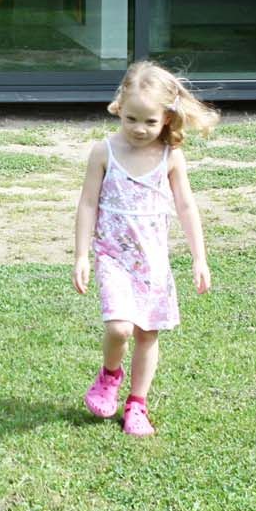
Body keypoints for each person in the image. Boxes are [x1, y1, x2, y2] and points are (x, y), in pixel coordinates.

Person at [71, 60, 216, 436]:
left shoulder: (170, 156)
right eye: (131, 119)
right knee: (120, 328)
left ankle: (137, 403)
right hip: (113, 257)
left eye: (150, 122)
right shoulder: (104, 152)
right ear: (119, 108)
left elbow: (186, 207)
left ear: (167, 118)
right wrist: (82, 255)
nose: (139, 129)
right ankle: (109, 376)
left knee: (148, 333)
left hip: (152, 262)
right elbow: (87, 204)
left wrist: (199, 258)